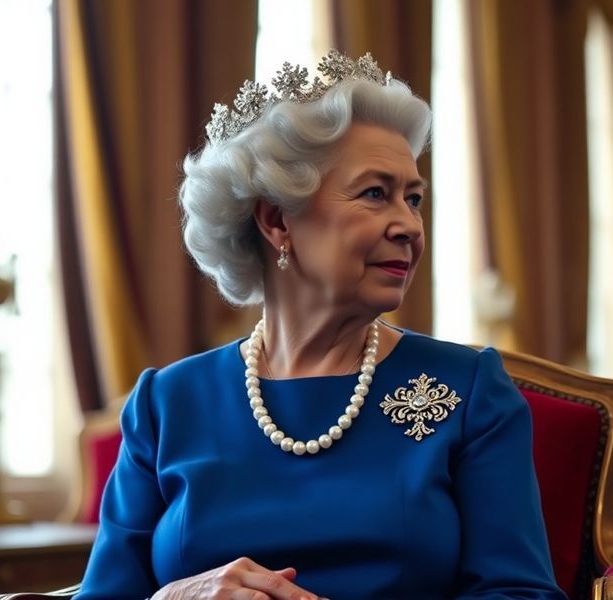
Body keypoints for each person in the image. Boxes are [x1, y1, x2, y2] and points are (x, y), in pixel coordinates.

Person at [73, 50, 564, 600]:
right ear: (277, 219)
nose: (408, 225)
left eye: (415, 198)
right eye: (375, 193)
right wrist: (175, 597)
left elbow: (520, 594)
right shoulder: (166, 403)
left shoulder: (469, 390)